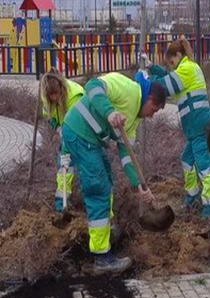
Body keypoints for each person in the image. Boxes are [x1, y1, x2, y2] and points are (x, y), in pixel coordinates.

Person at [61, 71, 167, 275]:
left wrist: (139, 186)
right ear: (150, 98)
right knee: (98, 189)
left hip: (92, 141)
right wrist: (109, 111)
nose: (152, 115)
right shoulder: (126, 88)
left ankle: (106, 232)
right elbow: (92, 86)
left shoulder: (134, 120)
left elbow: (127, 155)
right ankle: (101, 258)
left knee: (106, 181)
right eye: (154, 109)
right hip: (78, 133)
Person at [147, 39, 210, 217]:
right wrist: (152, 68)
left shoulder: (187, 69)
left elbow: (166, 85)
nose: (171, 67)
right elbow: (168, 76)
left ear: (178, 56)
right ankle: (192, 194)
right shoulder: (186, 69)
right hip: (194, 126)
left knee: (203, 164)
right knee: (186, 159)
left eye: (171, 63)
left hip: (198, 125)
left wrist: (147, 80)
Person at [39, 70, 85, 212]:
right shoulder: (47, 99)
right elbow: (49, 115)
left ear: (61, 90)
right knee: (64, 167)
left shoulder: (75, 96)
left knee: (86, 167)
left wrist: (66, 146)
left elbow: (76, 123)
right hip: (66, 131)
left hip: (83, 133)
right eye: (51, 96)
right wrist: (57, 126)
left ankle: (88, 202)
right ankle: (61, 205)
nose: (55, 98)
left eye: (56, 94)